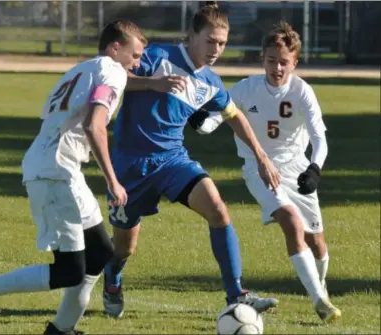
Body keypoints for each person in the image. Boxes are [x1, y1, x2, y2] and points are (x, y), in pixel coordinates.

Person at [0, 20, 147, 335]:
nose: (137, 64)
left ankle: (61, 329)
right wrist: (112, 180)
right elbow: (94, 125)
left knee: (100, 252)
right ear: (115, 48)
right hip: (55, 172)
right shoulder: (111, 71)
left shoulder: (84, 69)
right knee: (69, 271)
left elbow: (103, 95)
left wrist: (157, 84)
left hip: (59, 166)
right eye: (135, 56)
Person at [101, 2, 281, 319]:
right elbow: (111, 77)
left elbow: (234, 116)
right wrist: (151, 83)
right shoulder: (156, 56)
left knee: (218, 210)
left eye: (222, 43)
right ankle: (112, 279)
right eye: (210, 41)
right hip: (130, 166)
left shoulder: (210, 82)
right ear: (192, 35)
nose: (216, 49)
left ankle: (237, 294)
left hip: (173, 160)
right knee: (124, 248)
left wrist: (262, 156)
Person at [188, 21, 341, 323]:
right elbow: (217, 119)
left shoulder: (303, 92)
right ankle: (319, 301)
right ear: (263, 59)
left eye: (284, 62)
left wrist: (314, 169)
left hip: (297, 169)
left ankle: (319, 286)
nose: (278, 68)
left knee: (318, 243)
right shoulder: (246, 88)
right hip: (259, 169)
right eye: (272, 61)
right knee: (291, 222)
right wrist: (199, 121)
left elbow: (320, 138)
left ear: (295, 62)